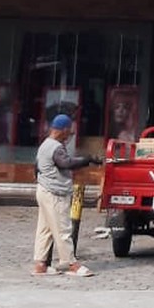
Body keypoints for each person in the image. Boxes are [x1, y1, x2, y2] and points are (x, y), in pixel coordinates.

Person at [34, 112, 101, 276]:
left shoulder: (45, 145)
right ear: (62, 130)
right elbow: (66, 163)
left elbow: (36, 168)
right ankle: (71, 263)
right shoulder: (56, 147)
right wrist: (88, 159)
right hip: (55, 194)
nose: (70, 135)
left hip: (43, 190)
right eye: (69, 131)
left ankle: (40, 265)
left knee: (45, 229)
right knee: (63, 229)